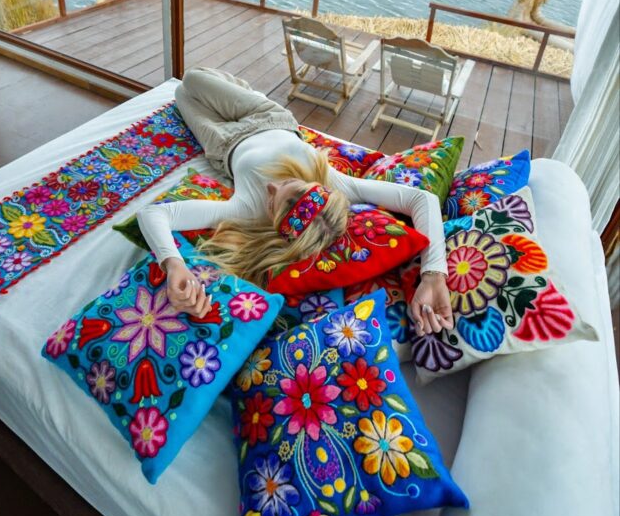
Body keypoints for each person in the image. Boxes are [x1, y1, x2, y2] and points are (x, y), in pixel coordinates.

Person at [137, 67, 452, 337]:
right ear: (315, 185)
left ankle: (235, 91)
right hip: (267, 117)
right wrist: (433, 274)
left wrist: (173, 263)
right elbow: (420, 199)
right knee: (193, 77)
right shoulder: (335, 182)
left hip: (223, 146)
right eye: (289, 183)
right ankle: (245, 91)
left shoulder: (246, 211)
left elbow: (153, 214)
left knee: (180, 94)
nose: (271, 188)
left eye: (273, 201)